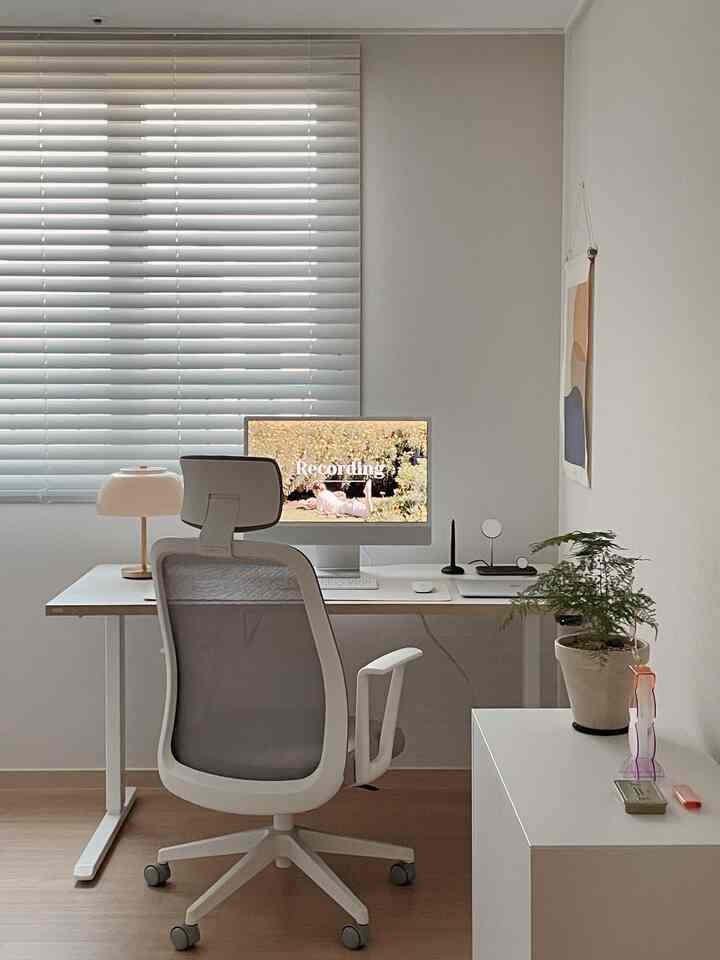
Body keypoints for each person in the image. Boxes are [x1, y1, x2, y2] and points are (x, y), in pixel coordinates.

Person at [306, 480, 373, 519]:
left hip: (346, 507)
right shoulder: (327, 492)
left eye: (313, 491)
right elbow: (340, 495)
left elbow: (320, 511)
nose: (313, 493)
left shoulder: (320, 496)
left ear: (316, 490)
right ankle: (367, 494)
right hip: (348, 504)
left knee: (368, 514)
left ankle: (367, 493)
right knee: (370, 513)